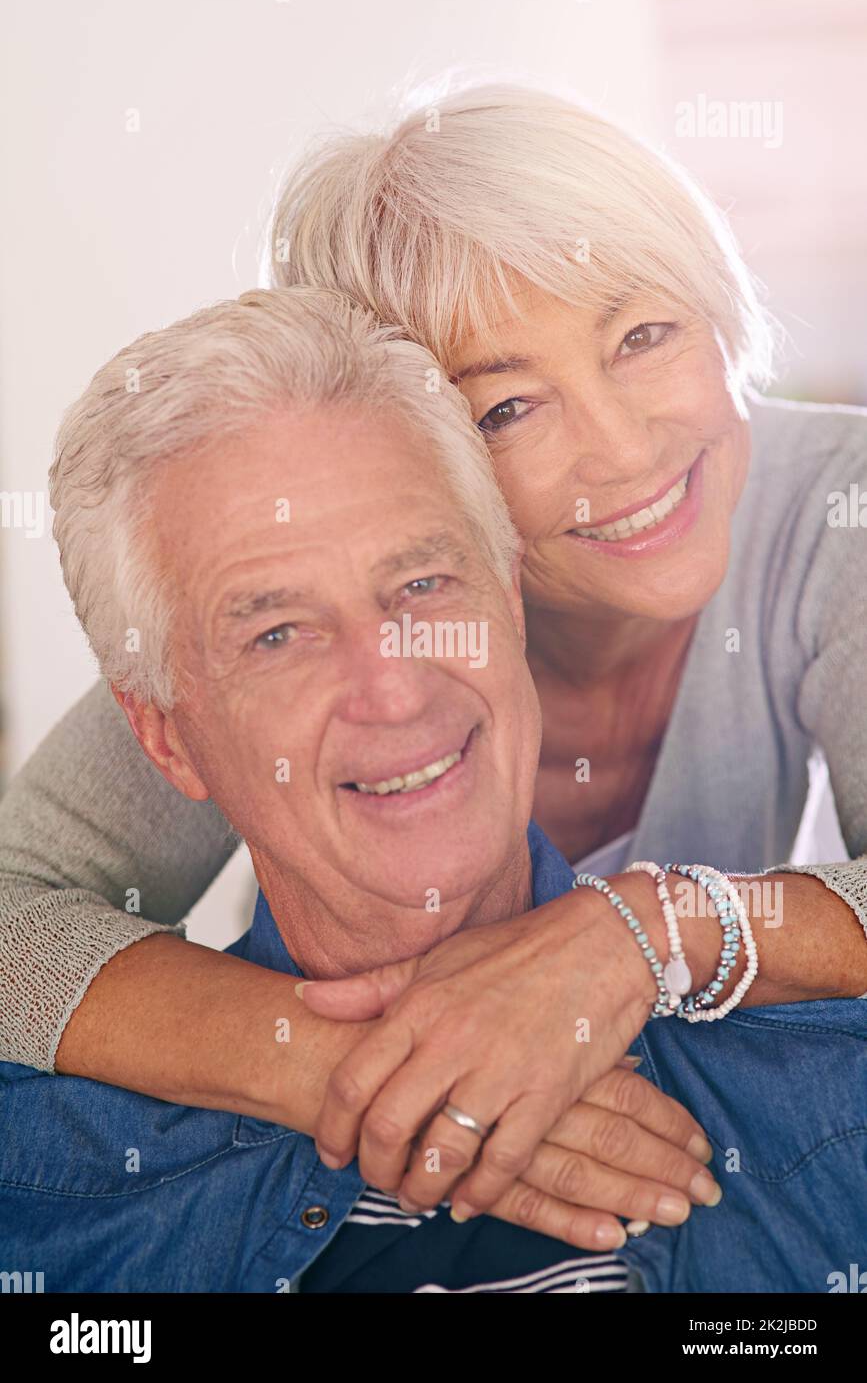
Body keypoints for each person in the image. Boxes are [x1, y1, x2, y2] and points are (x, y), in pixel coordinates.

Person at [3, 85, 866, 1243]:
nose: (622, 449)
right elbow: (14, 920)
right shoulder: (296, 617)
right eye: (509, 406)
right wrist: (371, 1076)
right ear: (408, 442)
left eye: (644, 335)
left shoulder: (834, 510)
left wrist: (650, 932)